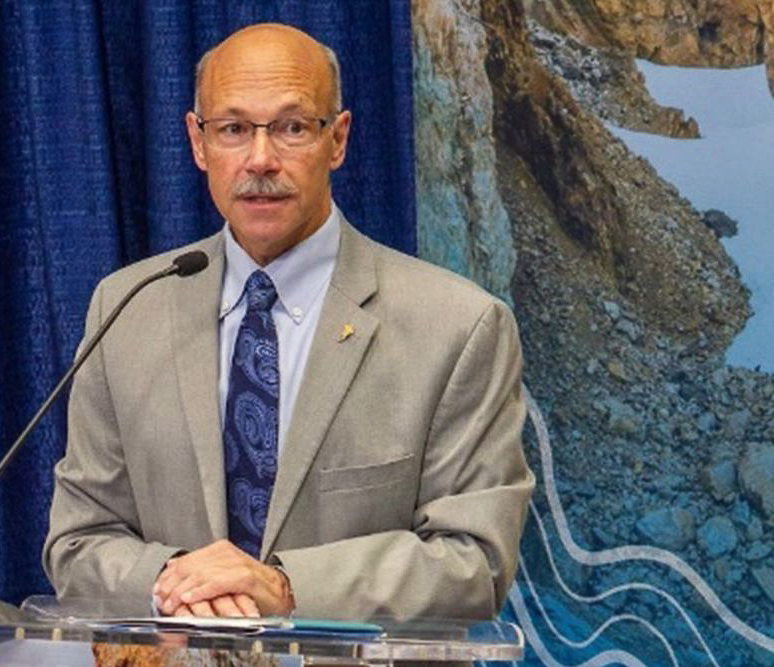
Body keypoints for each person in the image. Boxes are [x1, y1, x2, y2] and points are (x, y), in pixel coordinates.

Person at [43, 22, 533, 621]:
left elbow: (473, 562)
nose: (260, 159)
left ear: (339, 140)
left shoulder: (459, 328)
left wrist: (286, 588)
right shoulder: (126, 308)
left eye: (293, 127)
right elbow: (78, 543)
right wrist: (176, 581)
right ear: (198, 143)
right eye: (232, 129)